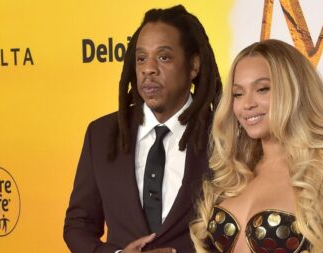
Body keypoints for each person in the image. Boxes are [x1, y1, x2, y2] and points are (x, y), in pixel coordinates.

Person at [64, 5, 222, 253]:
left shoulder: (225, 135)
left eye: (163, 57)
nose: (148, 68)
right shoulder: (102, 134)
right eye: (141, 58)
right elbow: (79, 225)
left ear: (194, 66)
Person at [190, 39, 323, 253]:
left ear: (294, 91)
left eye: (262, 89)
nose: (247, 104)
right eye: (238, 94)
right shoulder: (234, 172)